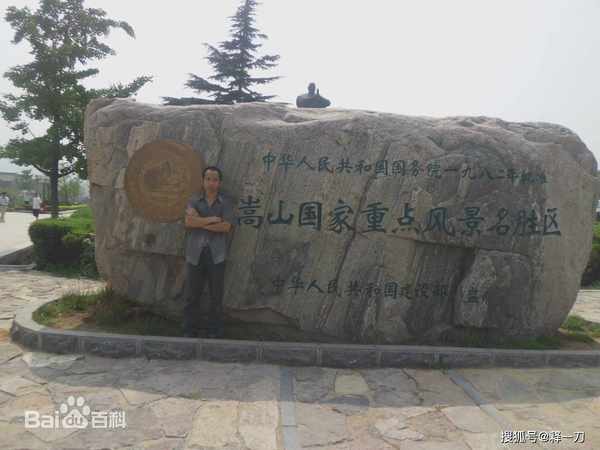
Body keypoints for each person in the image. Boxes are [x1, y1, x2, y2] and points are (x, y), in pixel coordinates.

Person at [183, 166, 235, 338]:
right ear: (203, 181)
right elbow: (188, 223)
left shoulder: (226, 202)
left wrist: (199, 220)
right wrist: (211, 220)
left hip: (217, 254)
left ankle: (214, 331)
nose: (211, 183)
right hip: (195, 253)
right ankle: (190, 330)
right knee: (192, 295)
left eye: (215, 179)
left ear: (219, 182)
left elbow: (225, 227)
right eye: (208, 179)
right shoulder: (194, 200)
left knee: (216, 296)